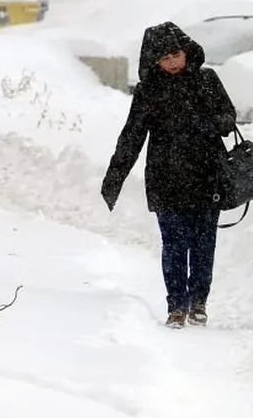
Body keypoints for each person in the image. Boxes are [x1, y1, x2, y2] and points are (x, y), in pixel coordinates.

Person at [100, 21, 237, 329]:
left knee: (204, 244)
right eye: (164, 58)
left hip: (206, 174)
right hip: (166, 177)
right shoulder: (149, 91)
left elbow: (229, 118)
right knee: (174, 244)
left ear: (186, 51)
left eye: (176, 54)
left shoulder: (206, 80)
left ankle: (198, 302)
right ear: (154, 61)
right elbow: (132, 135)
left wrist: (207, 124)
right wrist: (115, 176)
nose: (173, 62)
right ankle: (176, 305)